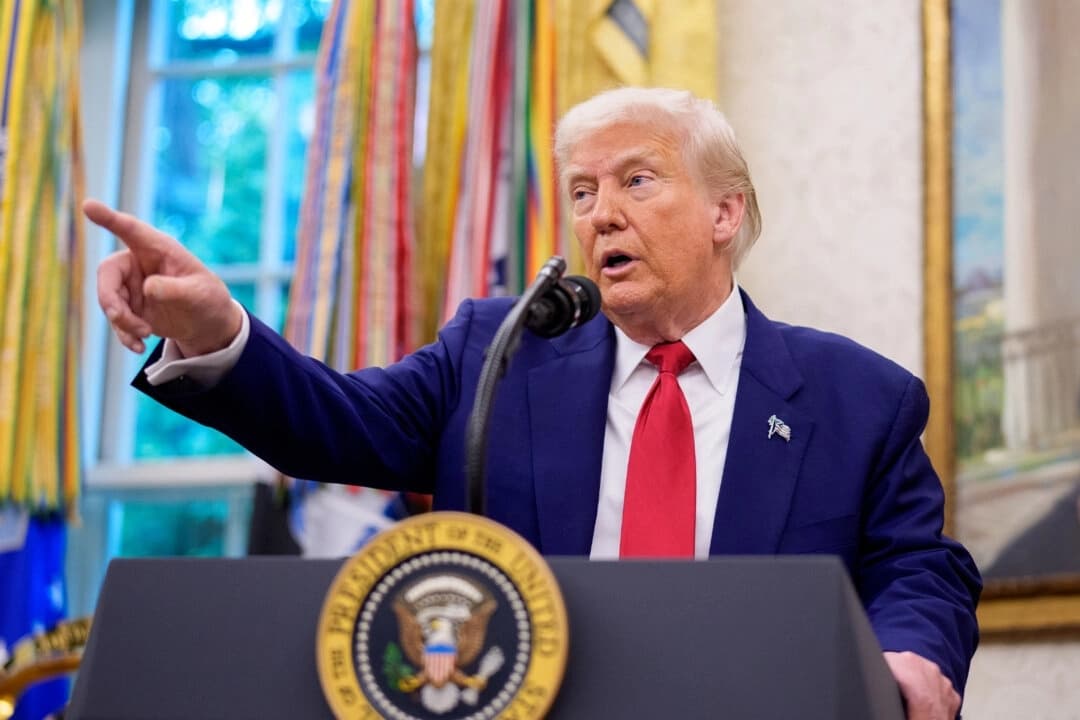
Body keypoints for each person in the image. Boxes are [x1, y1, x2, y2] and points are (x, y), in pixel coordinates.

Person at [90, 87, 980, 719]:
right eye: (583, 193)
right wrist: (215, 331)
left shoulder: (858, 397)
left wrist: (911, 654)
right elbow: (340, 423)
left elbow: (919, 567)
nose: (600, 215)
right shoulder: (499, 352)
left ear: (724, 211)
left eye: (637, 180)